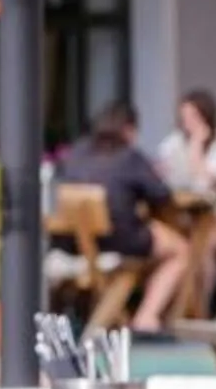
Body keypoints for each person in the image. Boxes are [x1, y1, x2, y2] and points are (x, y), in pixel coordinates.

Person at [54, 103, 199, 333]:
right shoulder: (129, 157)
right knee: (181, 250)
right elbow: (162, 195)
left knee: (154, 242)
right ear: (128, 129)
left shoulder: (76, 153)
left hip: (72, 245)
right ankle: (147, 316)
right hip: (118, 241)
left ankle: (134, 311)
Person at [153, 88, 216, 315]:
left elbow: (204, 179)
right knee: (177, 240)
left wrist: (196, 144)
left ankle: (198, 310)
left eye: (194, 117)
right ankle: (177, 308)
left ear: (207, 117)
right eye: (184, 118)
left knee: (201, 243)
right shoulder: (176, 141)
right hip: (194, 215)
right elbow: (162, 167)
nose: (188, 124)